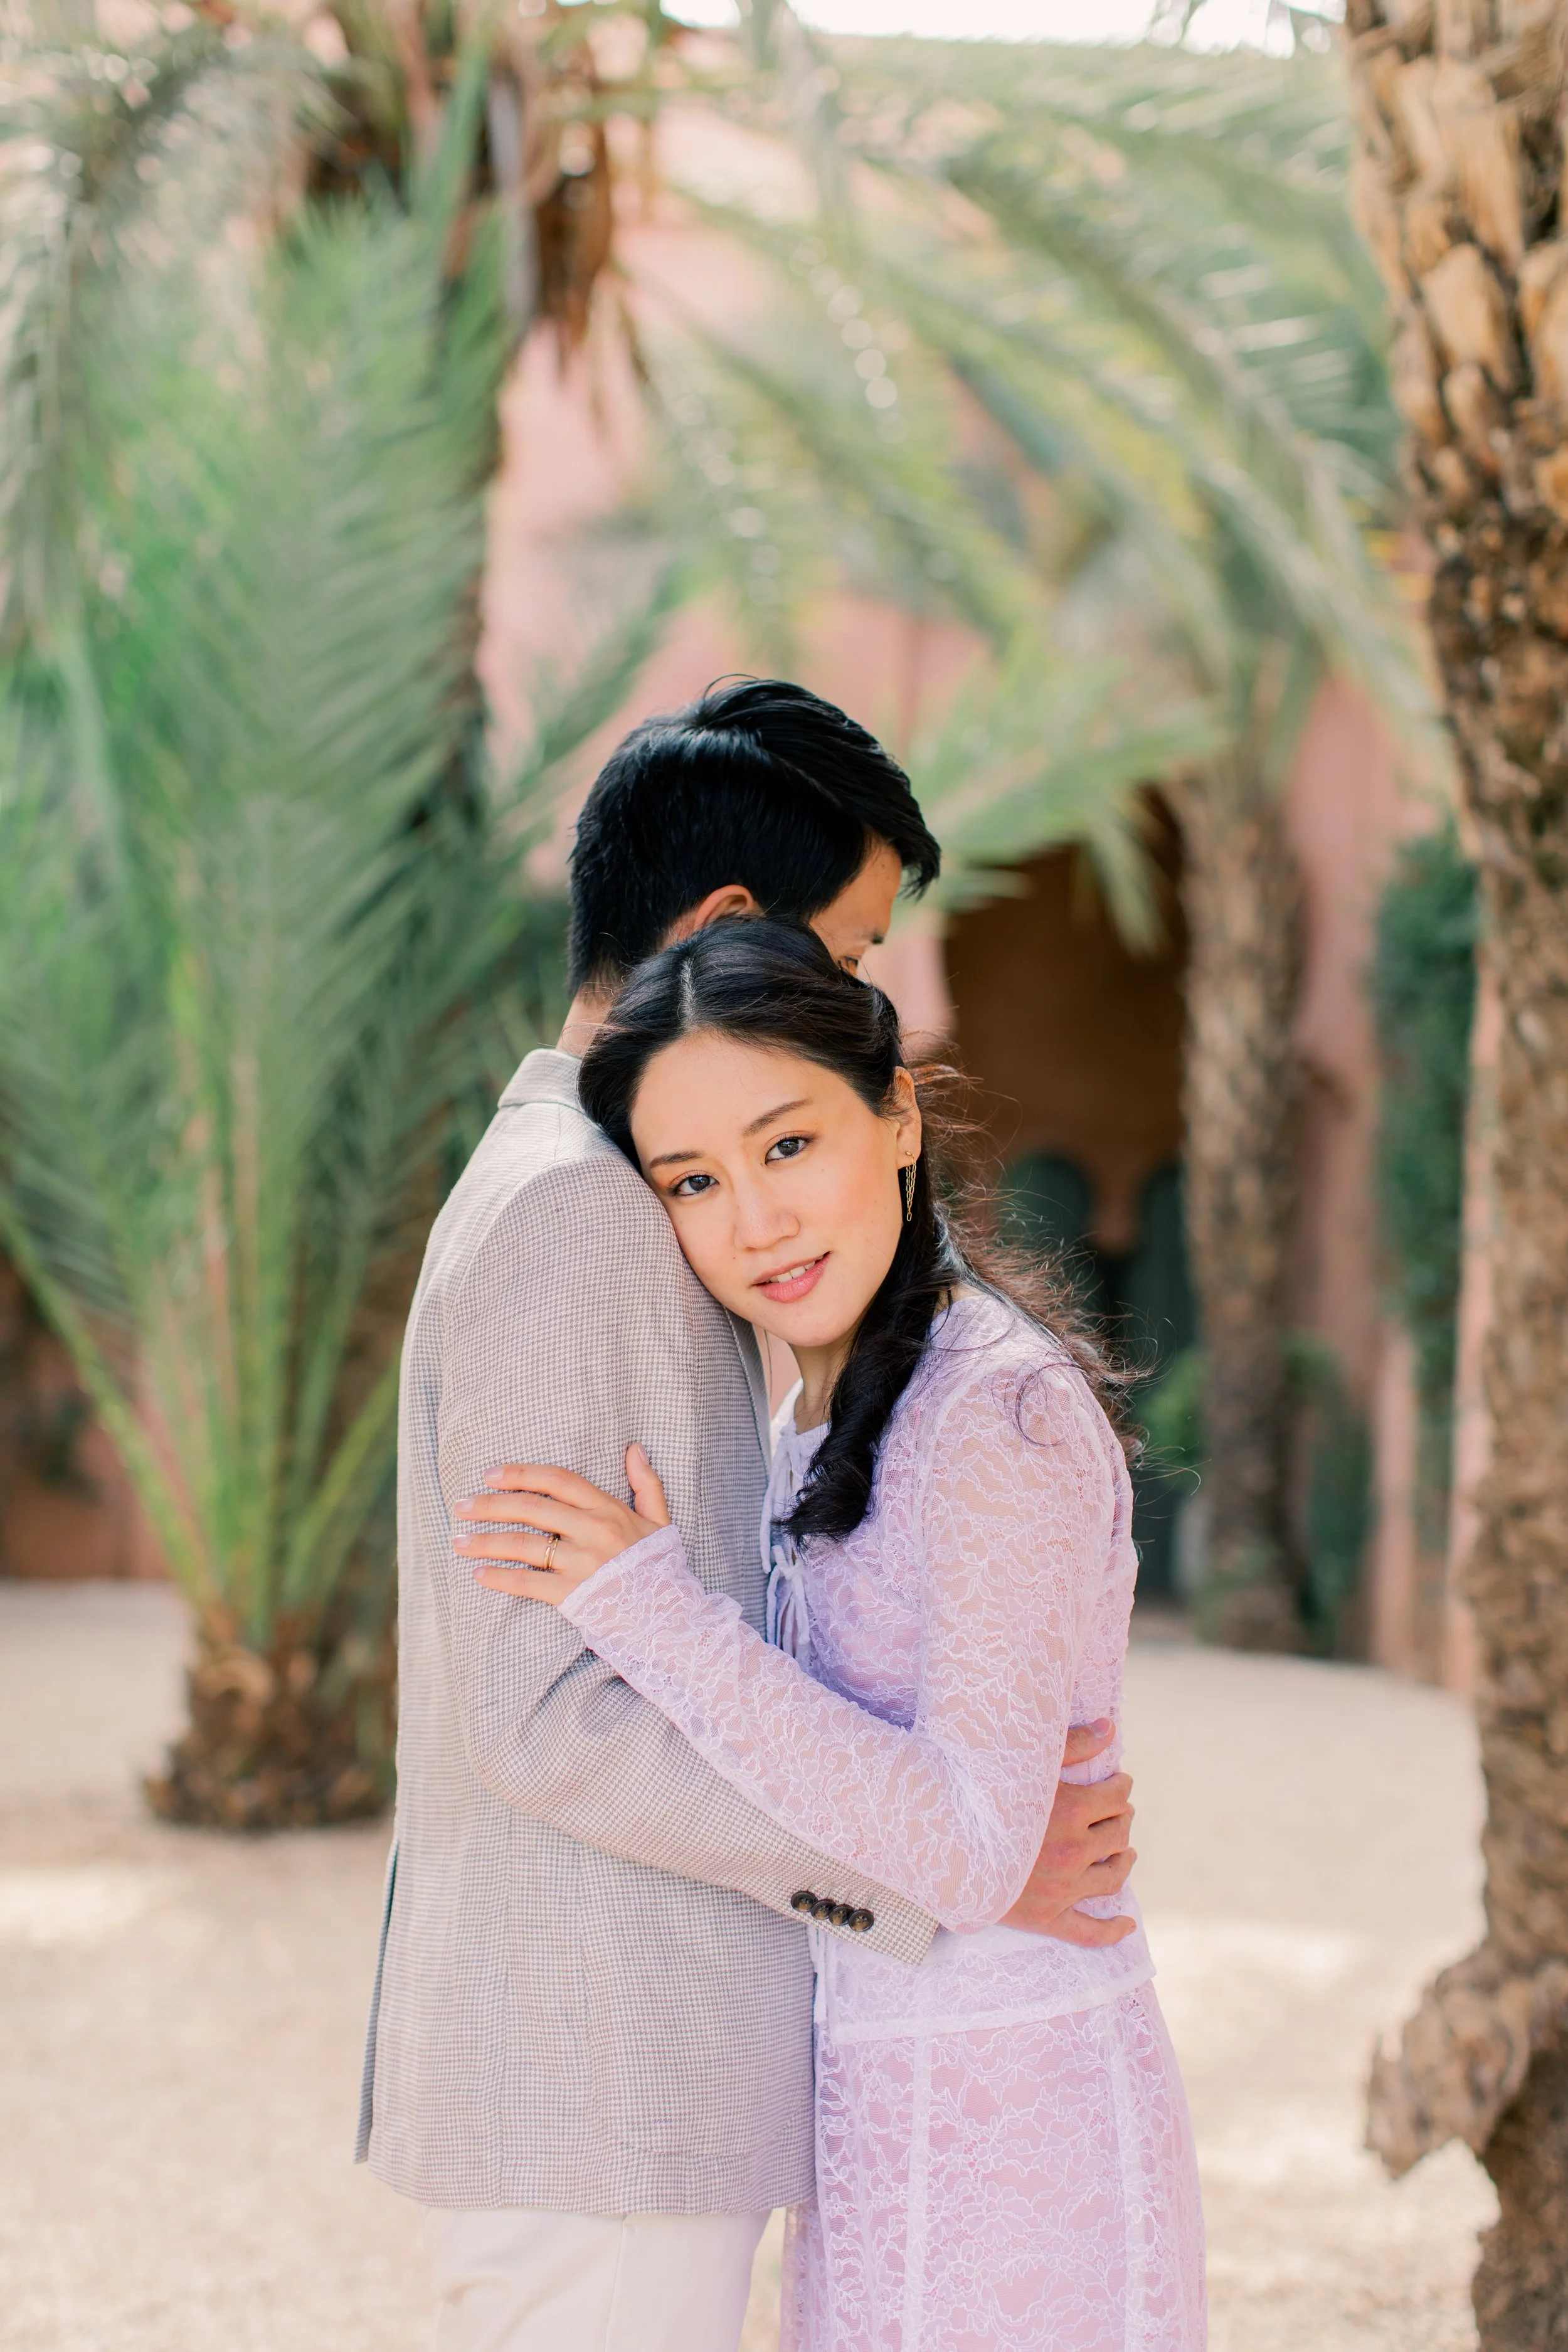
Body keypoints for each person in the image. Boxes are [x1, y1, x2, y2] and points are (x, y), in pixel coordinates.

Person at [358, 679, 1142, 2352]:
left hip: (650, 2077)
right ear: (726, 924)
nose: (863, 997)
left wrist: (959, 1817)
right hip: (598, 2072)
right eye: (852, 951)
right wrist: (946, 1879)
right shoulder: (583, 1210)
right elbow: (549, 1713)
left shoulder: (637, 1188)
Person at [463, 918, 1207, 2350]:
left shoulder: (992, 1415)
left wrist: (655, 1612)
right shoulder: (816, 1405)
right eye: (694, 1179)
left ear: (899, 1115)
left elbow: (973, 1848)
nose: (755, 1221)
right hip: (880, 2126)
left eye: (786, 1144)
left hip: (1020, 2134)